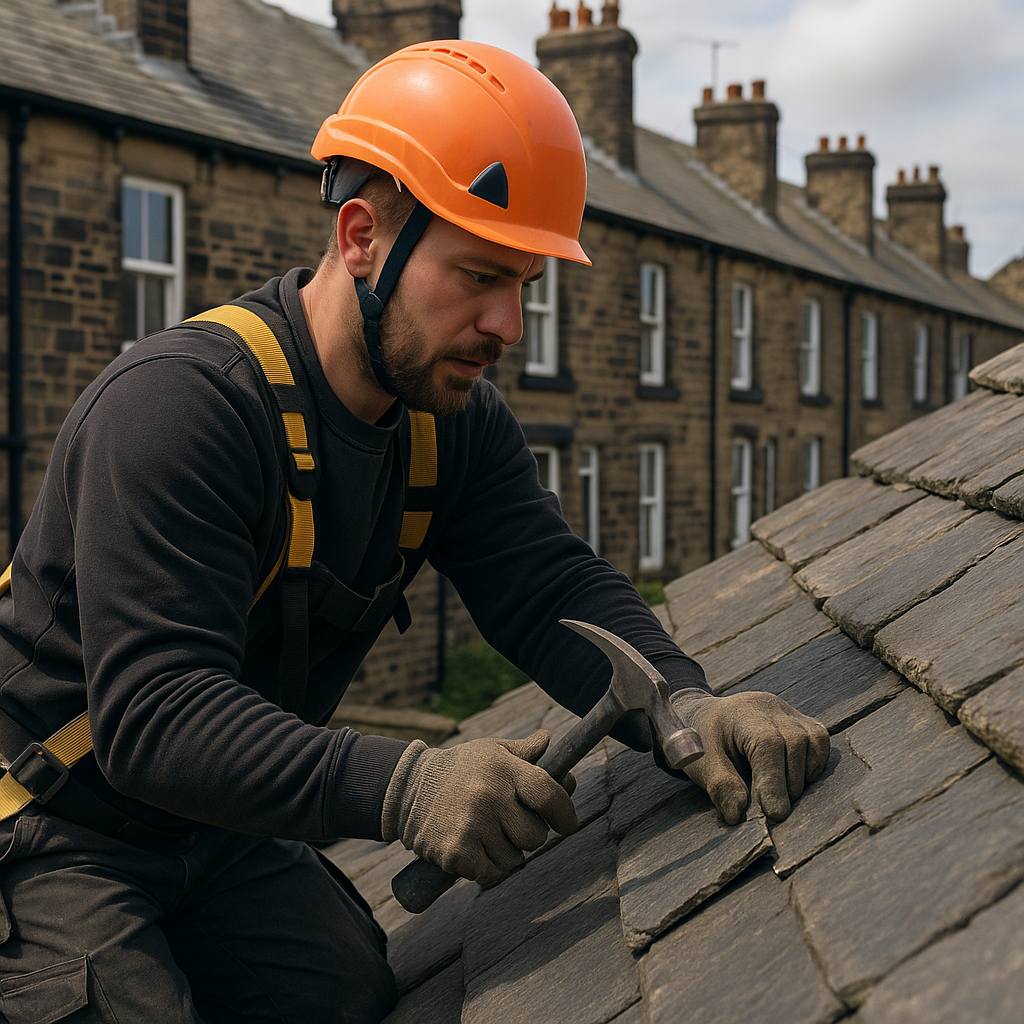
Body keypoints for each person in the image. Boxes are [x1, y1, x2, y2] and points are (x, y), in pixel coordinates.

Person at [0, 41, 829, 1023]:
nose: (508, 325)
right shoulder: (179, 409)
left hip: (216, 831)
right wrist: (407, 785)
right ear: (359, 237)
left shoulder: (451, 426)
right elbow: (156, 714)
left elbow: (550, 588)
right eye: (478, 274)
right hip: (51, 825)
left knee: (347, 992)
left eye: (524, 282)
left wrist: (687, 703)